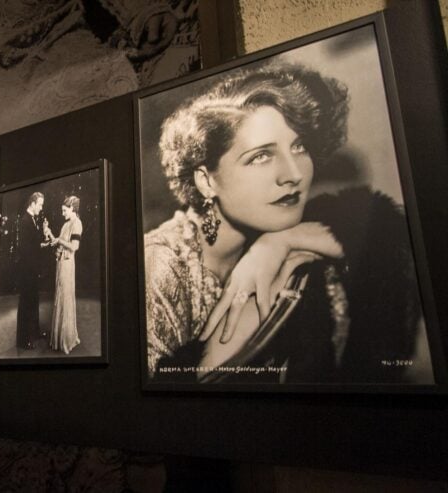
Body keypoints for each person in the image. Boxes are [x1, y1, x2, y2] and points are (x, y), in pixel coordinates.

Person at [145, 63, 426, 384]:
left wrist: (281, 242)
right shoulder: (159, 266)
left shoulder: (278, 228)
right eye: (261, 156)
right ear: (206, 181)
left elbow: (401, 232)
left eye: (299, 146)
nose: (293, 174)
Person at [45, 196, 83, 354]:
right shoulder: (65, 224)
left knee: (65, 299)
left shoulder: (77, 224)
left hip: (67, 265)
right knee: (60, 298)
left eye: (64, 210)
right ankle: (59, 340)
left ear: (72, 208)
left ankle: (66, 340)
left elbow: (74, 246)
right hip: (60, 264)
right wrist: (49, 233)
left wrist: (59, 241)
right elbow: (58, 243)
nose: (62, 213)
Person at [16, 192, 47, 349]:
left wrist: (41, 244)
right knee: (26, 303)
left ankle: (34, 332)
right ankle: (22, 340)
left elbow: (33, 244)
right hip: (27, 271)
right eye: (40, 205)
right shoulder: (24, 221)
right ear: (33, 203)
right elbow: (24, 249)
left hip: (32, 270)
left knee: (34, 301)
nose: (41, 208)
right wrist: (38, 246)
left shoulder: (33, 220)